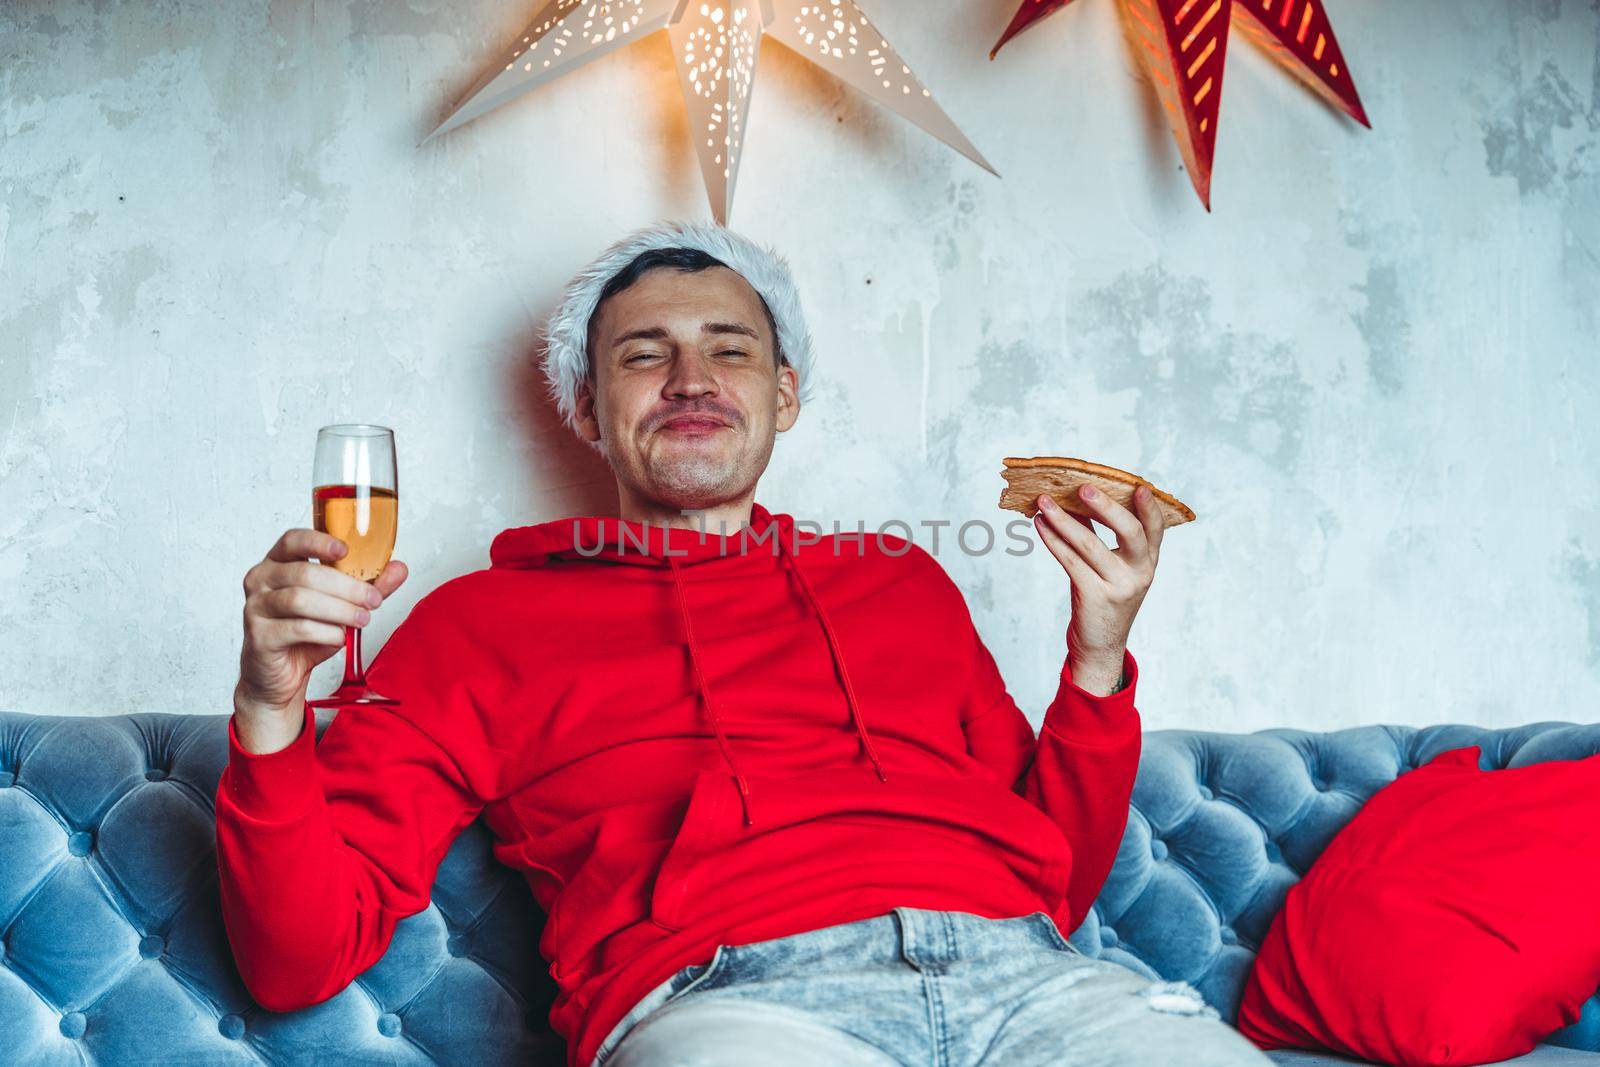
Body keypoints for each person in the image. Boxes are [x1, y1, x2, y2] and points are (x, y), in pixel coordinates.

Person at [217, 220, 1272, 1067]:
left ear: (783, 396)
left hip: (1036, 985)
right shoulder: (477, 623)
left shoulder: (902, 585)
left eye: (730, 348)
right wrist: (270, 708)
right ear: (587, 409)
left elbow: (1056, 882)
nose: (689, 377)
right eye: (644, 354)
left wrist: (1096, 661)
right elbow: (294, 959)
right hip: (736, 1005)